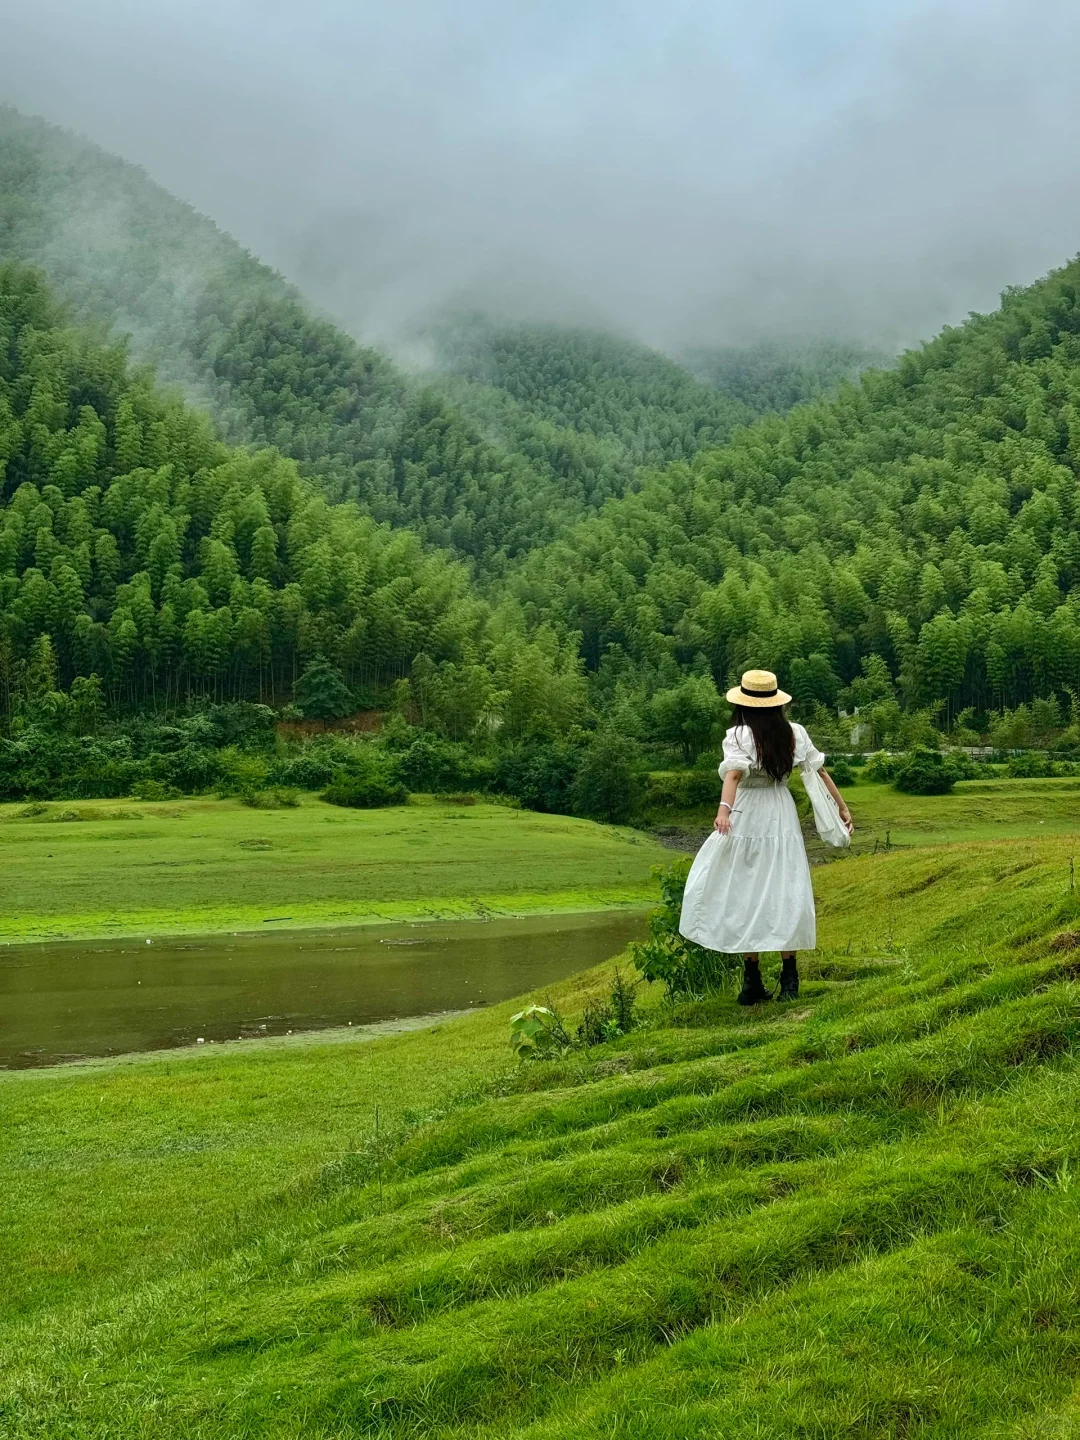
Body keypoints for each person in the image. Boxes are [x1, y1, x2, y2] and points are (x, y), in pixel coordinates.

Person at [678, 669, 853, 1005]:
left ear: (742, 703)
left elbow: (733, 775)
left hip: (747, 813)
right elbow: (820, 771)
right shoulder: (795, 733)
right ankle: (789, 979)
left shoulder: (738, 734)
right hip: (780, 812)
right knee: (785, 887)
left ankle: (751, 981)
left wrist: (724, 811)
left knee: (744, 889)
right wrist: (842, 808)